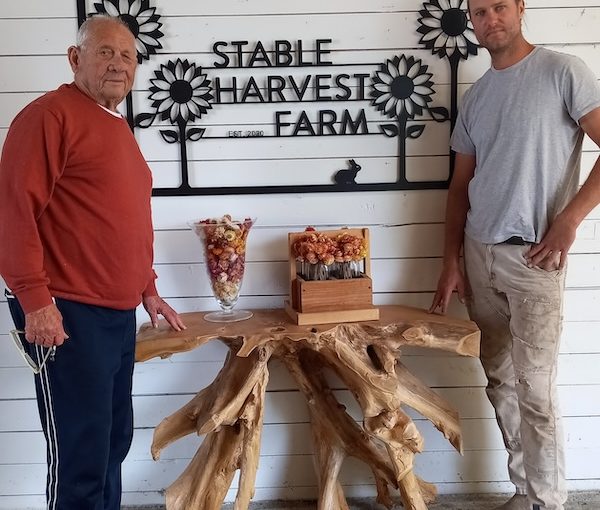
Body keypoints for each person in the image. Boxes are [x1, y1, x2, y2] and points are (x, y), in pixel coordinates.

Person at [0, 15, 186, 510]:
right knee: (80, 456)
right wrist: (35, 301)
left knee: (111, 446)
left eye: (128, 56)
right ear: (74, 57)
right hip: (67, 312)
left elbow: (124, 220)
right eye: (105, 51)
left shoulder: (118, 129)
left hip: (116, 314)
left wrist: (148, 288)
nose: (118, 64)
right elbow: (14, 213)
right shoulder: (49, 116)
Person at [429, 0, 600, 509]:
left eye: (499, 7)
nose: (490, 20)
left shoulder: (562, 72)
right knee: (500, 379)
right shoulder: (478, 96)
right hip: (479, 256)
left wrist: (568, 222)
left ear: (521, 8)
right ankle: (524, 490)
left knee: (537, 391)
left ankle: (549, 502)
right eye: (478, 13)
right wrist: (451, 263)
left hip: (534, 260)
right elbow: (460, 186)